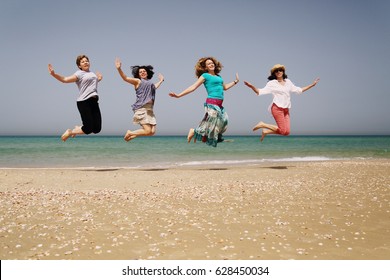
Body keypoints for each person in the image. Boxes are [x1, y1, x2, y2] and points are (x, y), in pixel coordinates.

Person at [169, 57, 239, 147]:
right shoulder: (205, 76)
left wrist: (235, 81)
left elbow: (225, 88)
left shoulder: (219, 77)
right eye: (209, 63)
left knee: (224, 122)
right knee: (211, 124)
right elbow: (193, 87)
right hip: (212, 103)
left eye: (212, 63)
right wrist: (179, 95)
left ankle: (200, 135)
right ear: (206, 67)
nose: (211, 64)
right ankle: (193, 131)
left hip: (219, 104)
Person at [244, 64, 320, 142]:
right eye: (276, 71)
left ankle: (266, 131)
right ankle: (263, 124)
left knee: (287, 132)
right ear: (274, 74)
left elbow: (299, 90)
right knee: (283, 130)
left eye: (280, 70)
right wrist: (251, 86)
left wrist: (312, 85)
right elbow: (260, 91)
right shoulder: (272, 83)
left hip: (286, 110)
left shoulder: (288, 82)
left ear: (283, 71)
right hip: (277, 108)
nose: (278, 72)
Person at [48, 55, 103, 142]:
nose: (85, 62)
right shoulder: (79, 74)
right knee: (88, 129)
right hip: (84, 102)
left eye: (87, 61)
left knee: (97, 129)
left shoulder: (92, 74)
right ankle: (70, 132)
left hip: (94, 101)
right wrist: (54, 74)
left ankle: (78, 128)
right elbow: (65, 79)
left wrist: (98, 79)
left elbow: (91, 84)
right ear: (79, 66)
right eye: (83, 61)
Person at [115, 58, 164, 141]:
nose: (142, 72)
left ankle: (132, 136)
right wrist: (119, 69)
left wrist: (161, 80)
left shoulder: (151, 84)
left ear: (147, 72)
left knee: (152, 132)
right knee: (148, 130)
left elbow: (155, 87)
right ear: (138, 75)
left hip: (150, 109)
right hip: (142, 108)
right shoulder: (138, 81)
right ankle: (130, 133)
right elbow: (125, 78)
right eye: (140, 72)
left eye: (144, 71)